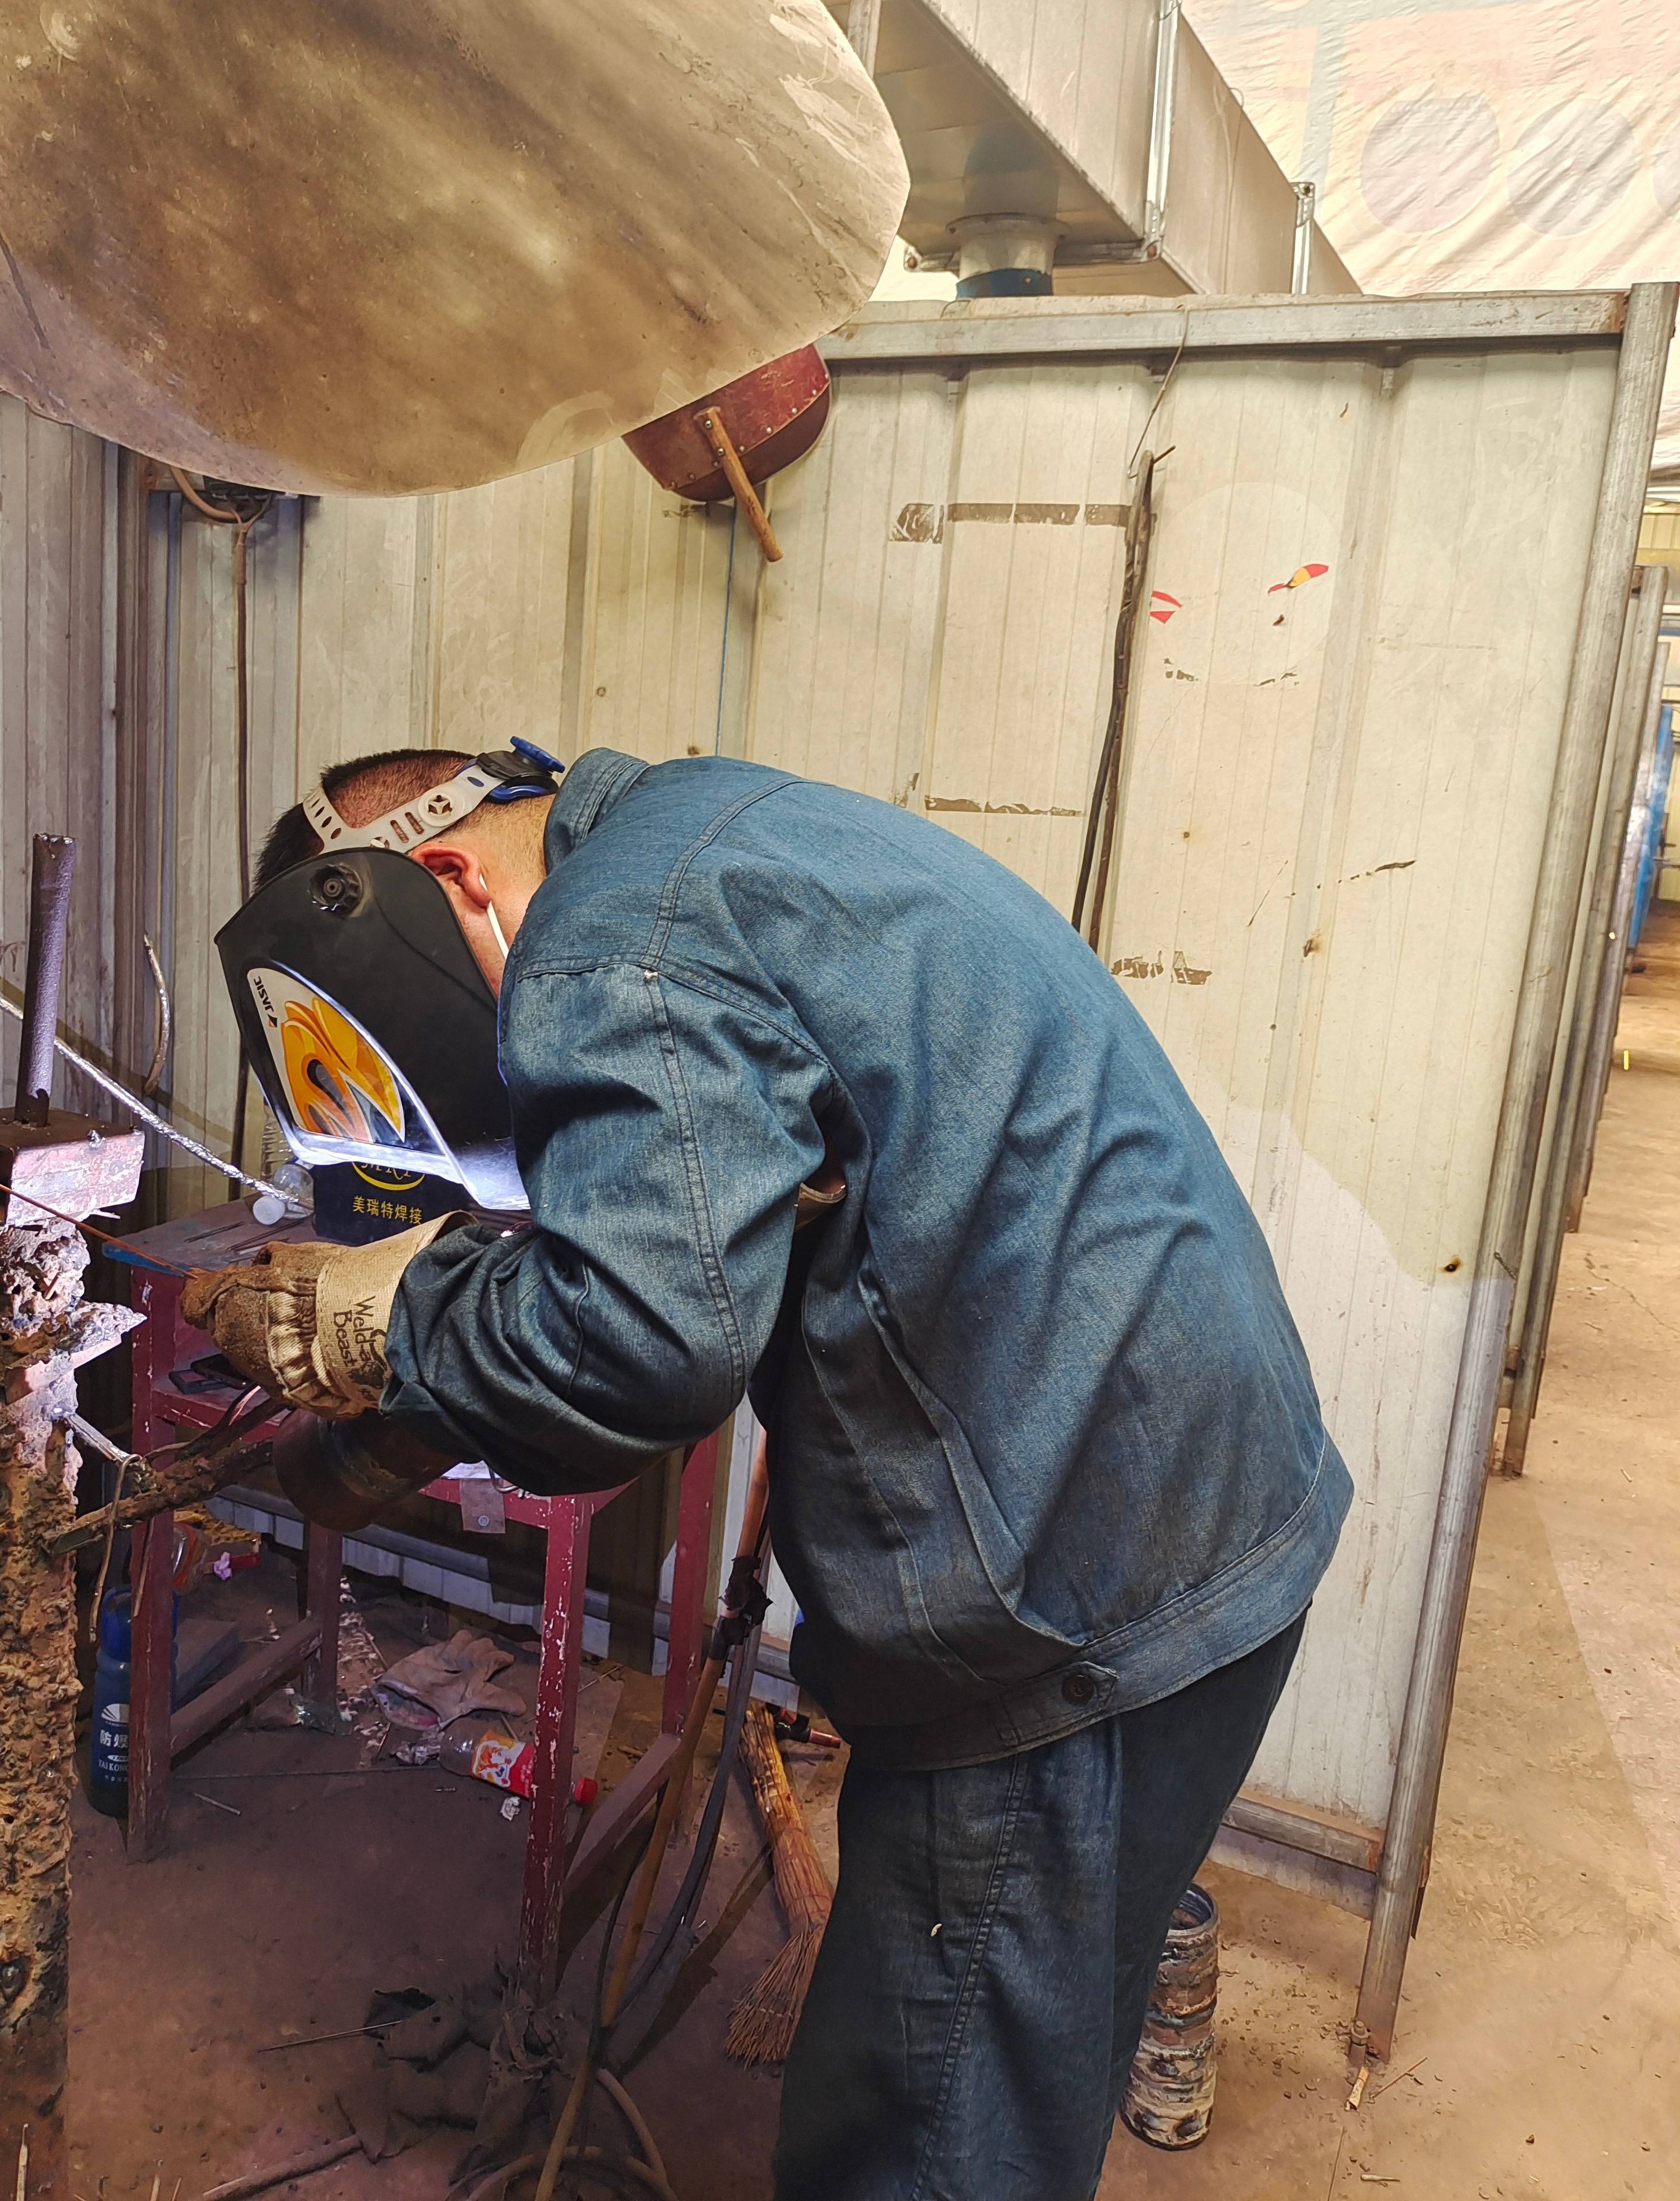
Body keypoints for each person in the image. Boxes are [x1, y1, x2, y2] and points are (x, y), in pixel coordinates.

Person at [201, 739, 1351, 2199]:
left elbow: (635, 1339)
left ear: (446, 878)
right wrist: (411, 1418)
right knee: (1020, 2049)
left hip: (1071, 1597)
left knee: (920, 2138)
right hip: (1196, 1508)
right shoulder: (720, 831)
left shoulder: (608, 934)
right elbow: (709, 1249)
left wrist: (382, 1319)